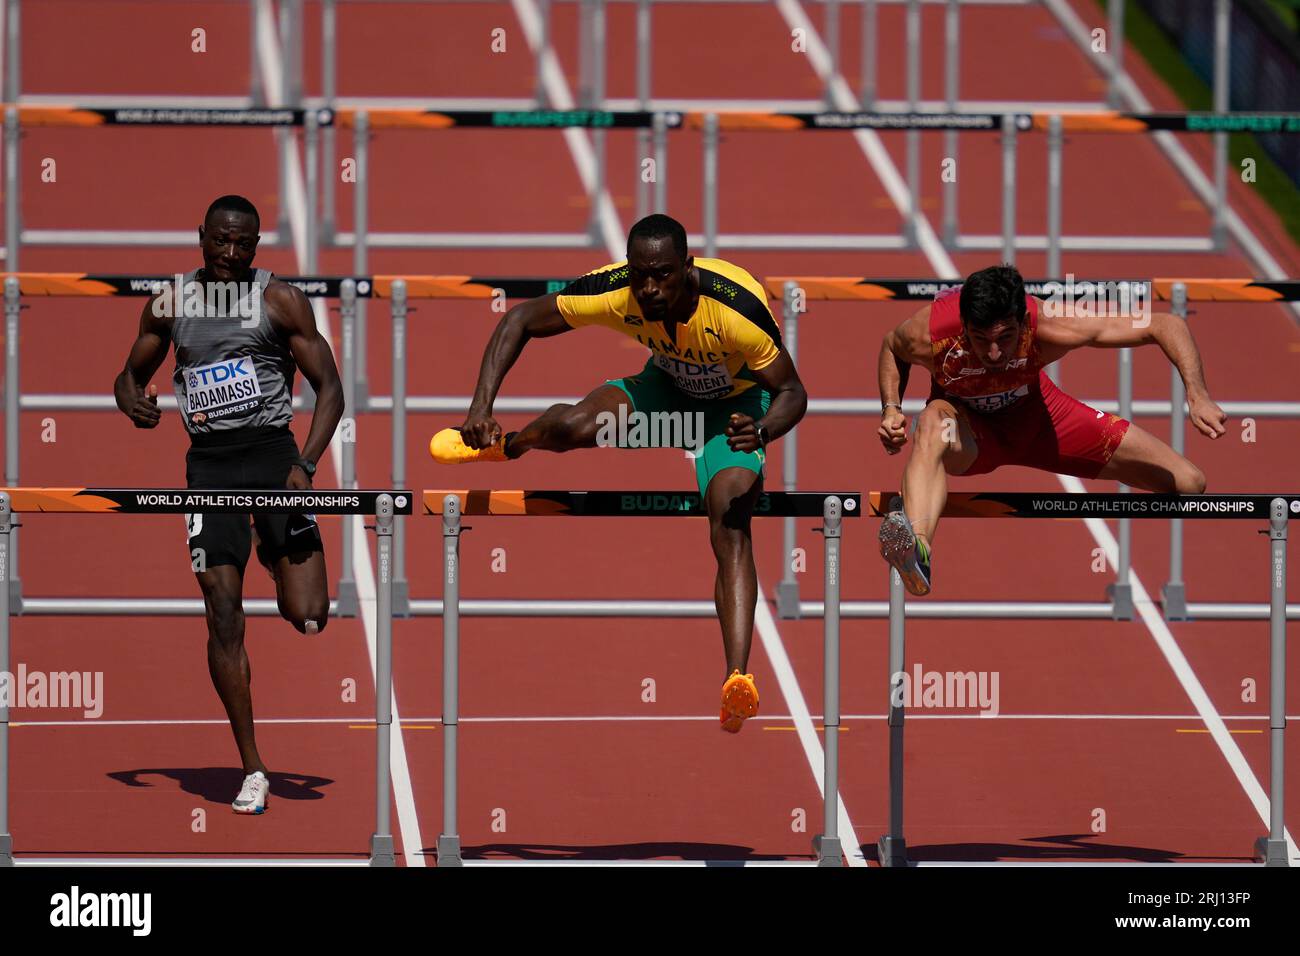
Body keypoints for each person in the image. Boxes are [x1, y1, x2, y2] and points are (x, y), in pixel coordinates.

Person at [430, 214, 808, 733]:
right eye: (640, 274)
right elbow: (518, 320)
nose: (650, 289)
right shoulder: (616, 290)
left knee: (730, 515)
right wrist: (480, 406)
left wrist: (761, 432)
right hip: (667, 394)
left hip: (734, 412)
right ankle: (506, 446)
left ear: (688, 269)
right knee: (573, 427)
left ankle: (736, 679)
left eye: (663, 275)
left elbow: (793, 392)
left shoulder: (736, 312)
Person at [114, 195, 345, 812]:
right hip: (210, 465)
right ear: (201, 237)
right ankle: (253, 767)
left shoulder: (280, 301)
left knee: (310, 615)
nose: (230, 254)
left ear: (256, 245)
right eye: (221, 241)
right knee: (221, 606)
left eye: (243, 245)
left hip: (272, 456)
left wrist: (305, 464)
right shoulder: (170, 302)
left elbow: (331, 390)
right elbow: (130, 370)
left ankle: (274, 550)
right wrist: (130, 398)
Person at [877, 264, 1226, 596]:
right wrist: (891, 408)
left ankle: (917, 513)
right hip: (969, 435)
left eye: (1005, 337)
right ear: (964, 324)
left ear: (1023, 322)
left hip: (1045, 424)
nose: (994, 352)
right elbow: (892, 348)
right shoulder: (931, 333)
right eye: (981, 339)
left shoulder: (1052, 323)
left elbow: (1164, 324)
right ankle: (917, 548)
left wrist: (1198, 395)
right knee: (934, 421)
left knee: (1189, 483)